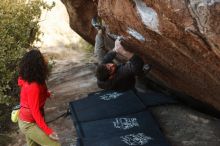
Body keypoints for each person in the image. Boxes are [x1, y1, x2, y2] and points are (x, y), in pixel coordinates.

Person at [18, 49, 61, 146]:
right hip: (29, 123)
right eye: (41, 59)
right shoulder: (33, 86)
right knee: (54, 145)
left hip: (29, 119)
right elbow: (34, 111)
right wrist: (48, 131)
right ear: (38, 65)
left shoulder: (34, 78)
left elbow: (40, 91)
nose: (44, 61)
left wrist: (47, 94)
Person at [92, 17, 145, 91]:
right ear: (111, 77)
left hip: (109, 75)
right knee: (137, 68)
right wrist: (123, 52)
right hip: (127, 83)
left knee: (98, 52)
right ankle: (140, 76)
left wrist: (115, 49)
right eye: (110, 69)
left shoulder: (102, 71)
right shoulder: (120, 75)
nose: (112, 65)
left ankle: (99, 30)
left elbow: (106, 59)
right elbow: (138, 63)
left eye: (108, 65)